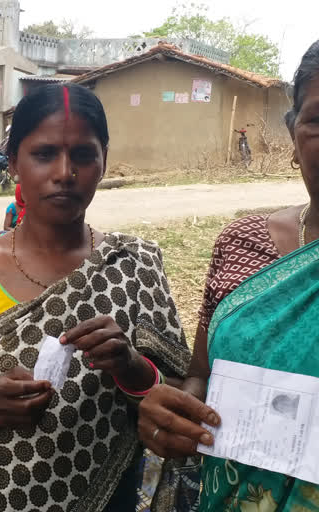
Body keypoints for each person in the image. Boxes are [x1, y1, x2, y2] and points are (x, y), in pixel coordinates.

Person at [0, 83, 190, 512]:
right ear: (15, 164)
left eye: (83, 155)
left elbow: (183, 400)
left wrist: (132, 369)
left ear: (103, 161)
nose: (64, 172)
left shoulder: (134, 264)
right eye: (43, 154)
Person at [138, 41, 319, 512]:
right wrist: (174, 411)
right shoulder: (243, 242)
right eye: (318, 120)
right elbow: (201, 378)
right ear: (294, 137)